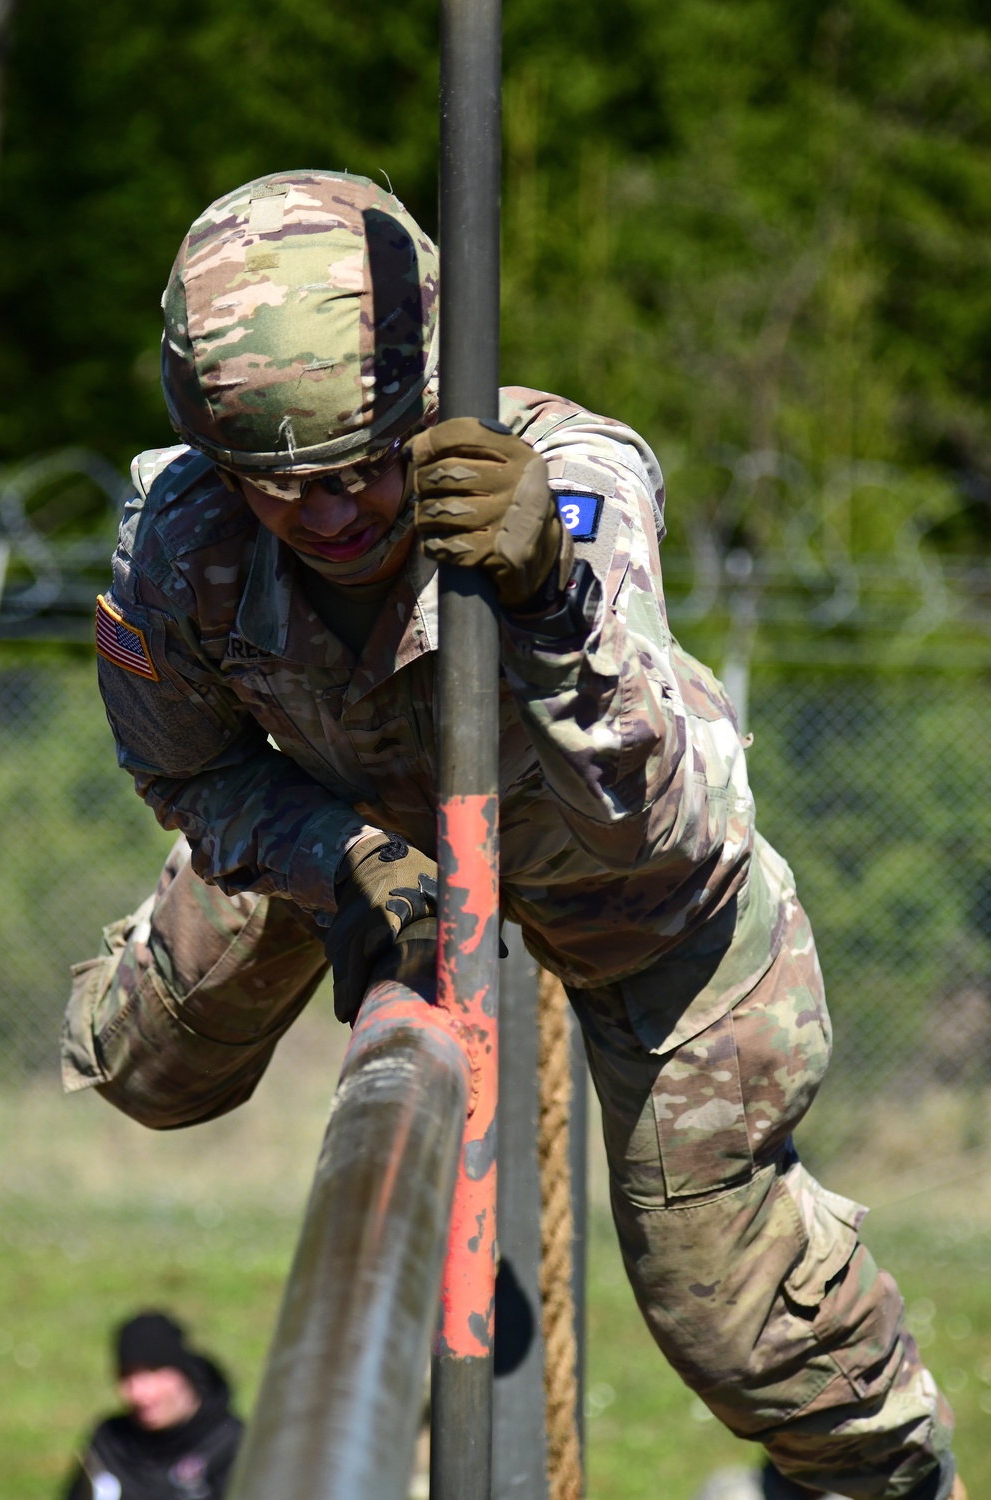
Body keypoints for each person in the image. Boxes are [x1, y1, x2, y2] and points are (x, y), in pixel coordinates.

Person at [61, 169, 964, 1500]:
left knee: (737, 1326)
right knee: (140, 1060)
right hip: (354, 828)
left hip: (624, 881)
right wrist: (339, 864)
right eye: (286, 483)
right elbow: (188, 773)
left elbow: (670, 808)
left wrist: (546, 600)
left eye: (369, 463)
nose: (337, 513)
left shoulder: (563, 482)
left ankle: (899, 1480)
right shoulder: (187, 541)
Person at [63, 1311, 244, 1500]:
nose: (139, 1394)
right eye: (127, 1377)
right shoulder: (110, 1443)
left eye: (152, 1373)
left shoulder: (232, 1445)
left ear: (184, 1373)